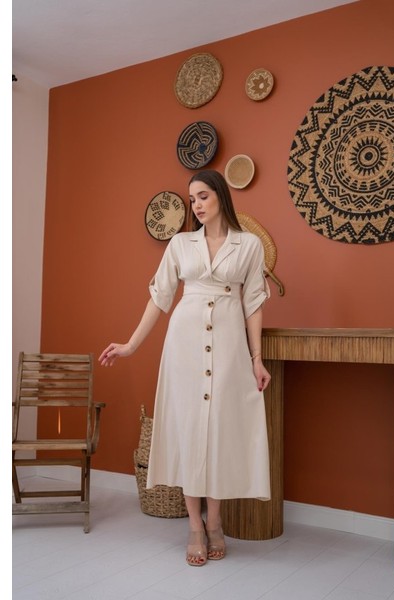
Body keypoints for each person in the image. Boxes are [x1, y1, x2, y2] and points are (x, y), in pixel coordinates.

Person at [99, 169, 271, 566]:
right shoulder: (180, 244)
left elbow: (253, 304)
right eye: (192, 199)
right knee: (191, 430)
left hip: (228, 344)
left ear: (221, 196)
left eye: (203, 196)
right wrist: (130, 345)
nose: (196, 205)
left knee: (220, 432)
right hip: (185, 344)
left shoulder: (248, 245)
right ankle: (195, 525)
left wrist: (256, 359)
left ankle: (216, 521)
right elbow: (159, 298)